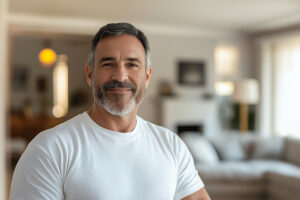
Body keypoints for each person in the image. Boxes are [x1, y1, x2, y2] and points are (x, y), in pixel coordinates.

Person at [9, 22, 211, 200]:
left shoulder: (172, 145)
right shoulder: (49, 149)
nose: (120, 75)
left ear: (147, 76)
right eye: (108, 64)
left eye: (132, 64)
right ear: (90, 75)